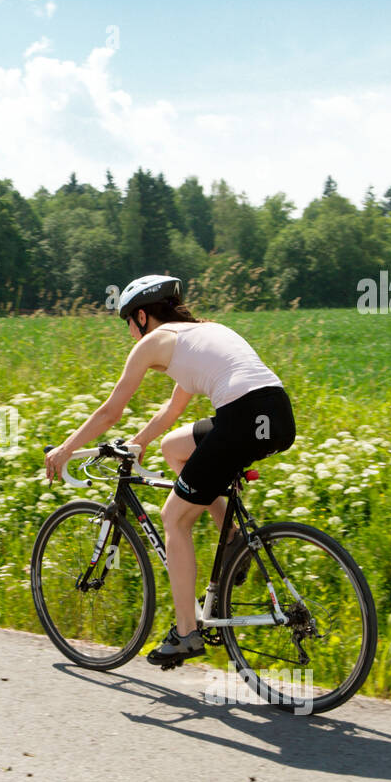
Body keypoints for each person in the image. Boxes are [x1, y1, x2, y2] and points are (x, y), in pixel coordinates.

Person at [43, 274, 296, 667]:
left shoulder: (152, 343)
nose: (129, 332)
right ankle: (231, 539)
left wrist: (65, 449)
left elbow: (111, 410)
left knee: (173, 517)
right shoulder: (201, 334)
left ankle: (186, 633)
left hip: (242, 418)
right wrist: (137, 444)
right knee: (173, 448)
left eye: (127, 322)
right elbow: (171, 412)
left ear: (141, 316)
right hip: (276, 415)